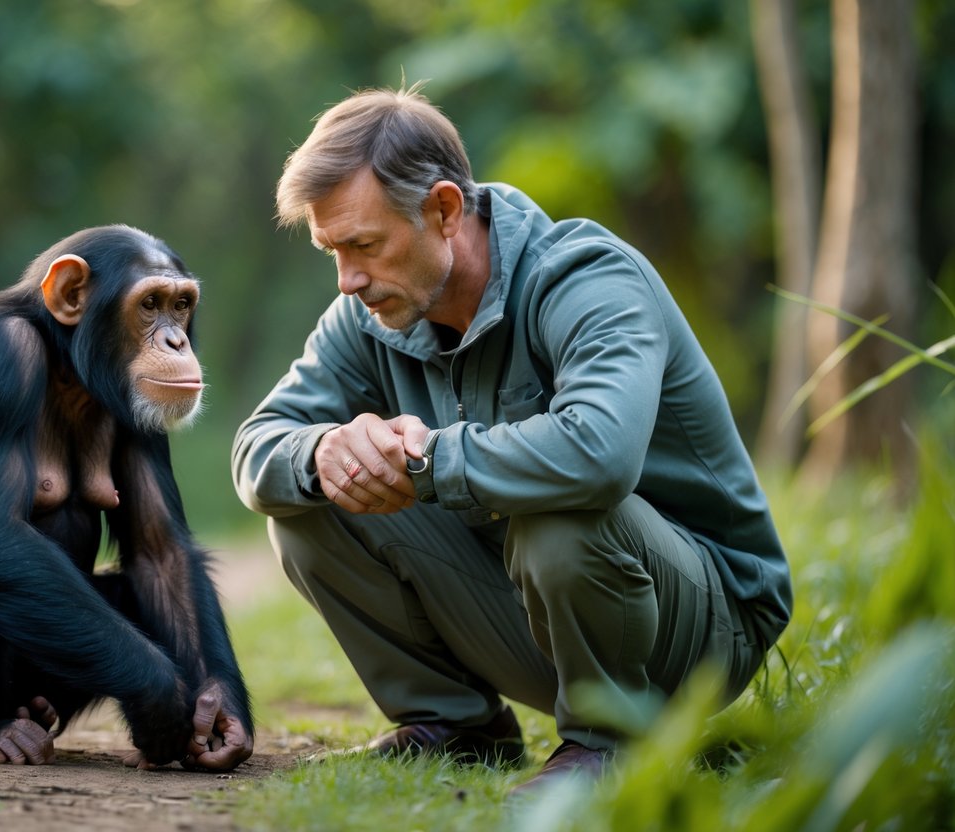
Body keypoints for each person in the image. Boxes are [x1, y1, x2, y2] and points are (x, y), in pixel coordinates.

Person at [231, 85, 791, 795]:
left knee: (557, 508)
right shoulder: (370, 313)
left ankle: (608, 744)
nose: (347, 279)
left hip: (703, 626)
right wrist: (323, 453)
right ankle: (457, 728)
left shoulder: (586, 278)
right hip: (541, 609)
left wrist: (430, 460)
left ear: (442, 209)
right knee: (310, 500)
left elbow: (598, 455)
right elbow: (256, 448)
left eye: (364, 245)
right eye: (330, 250)